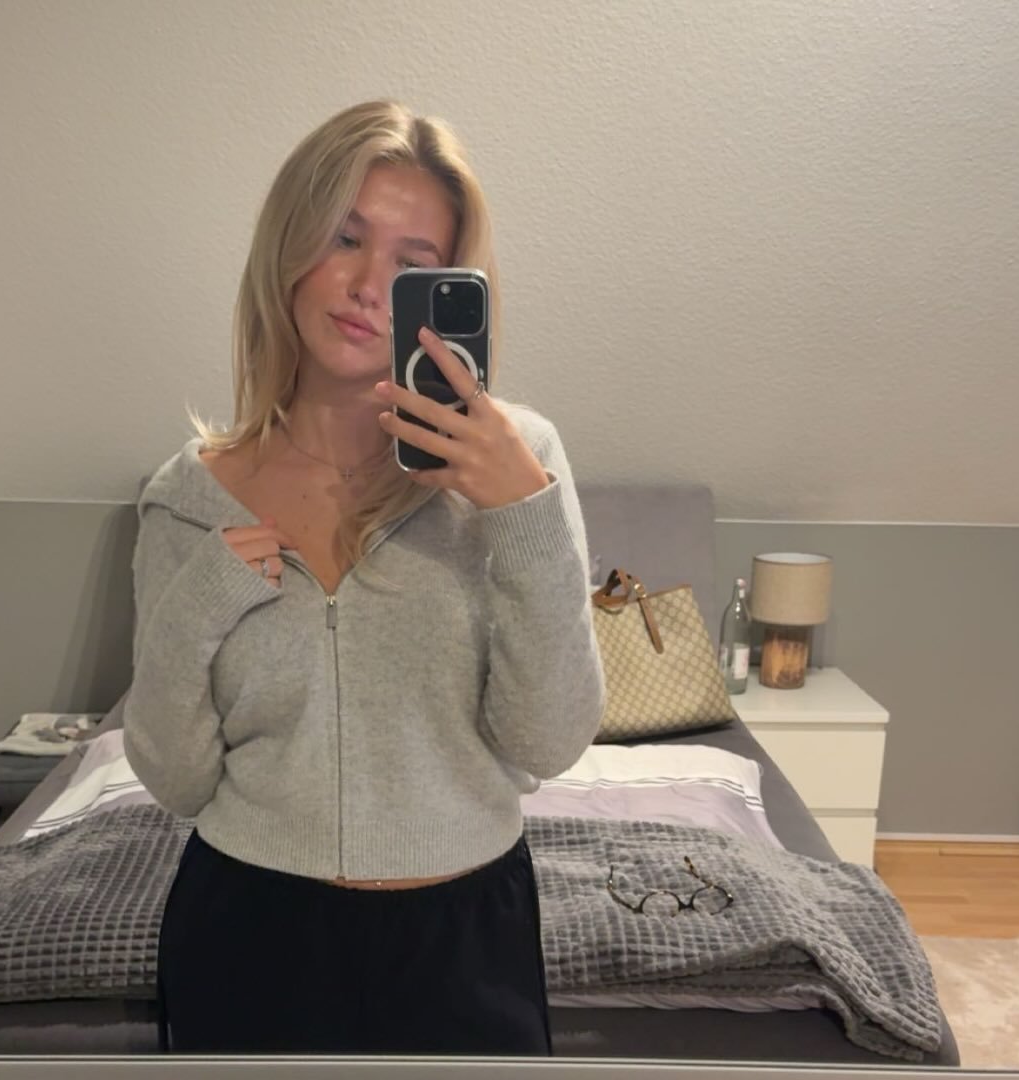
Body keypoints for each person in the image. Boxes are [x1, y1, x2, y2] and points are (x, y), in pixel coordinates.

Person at [122, 99, 606, 1055]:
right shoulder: (188, 499)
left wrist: (523, 514)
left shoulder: (518, 464)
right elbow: (176, 780)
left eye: (412, 263)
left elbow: (549, 742)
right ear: (288, 245)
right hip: (248, 929)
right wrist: (194, 609)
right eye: (344, 237)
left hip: (465, 936)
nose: (367, 285)